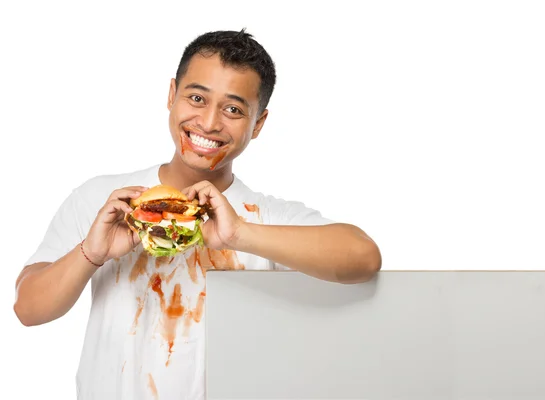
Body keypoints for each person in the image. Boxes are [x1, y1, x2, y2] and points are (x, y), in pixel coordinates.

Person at [13, 29, 382, 399]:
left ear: (258, 124)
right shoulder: (102, 200)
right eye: (196, 98)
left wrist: (239, 233)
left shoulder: (265, 215)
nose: (208, 123)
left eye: (234, 109)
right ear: (172, 95)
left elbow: (363, 258)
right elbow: (28, 309)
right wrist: (91, 254)